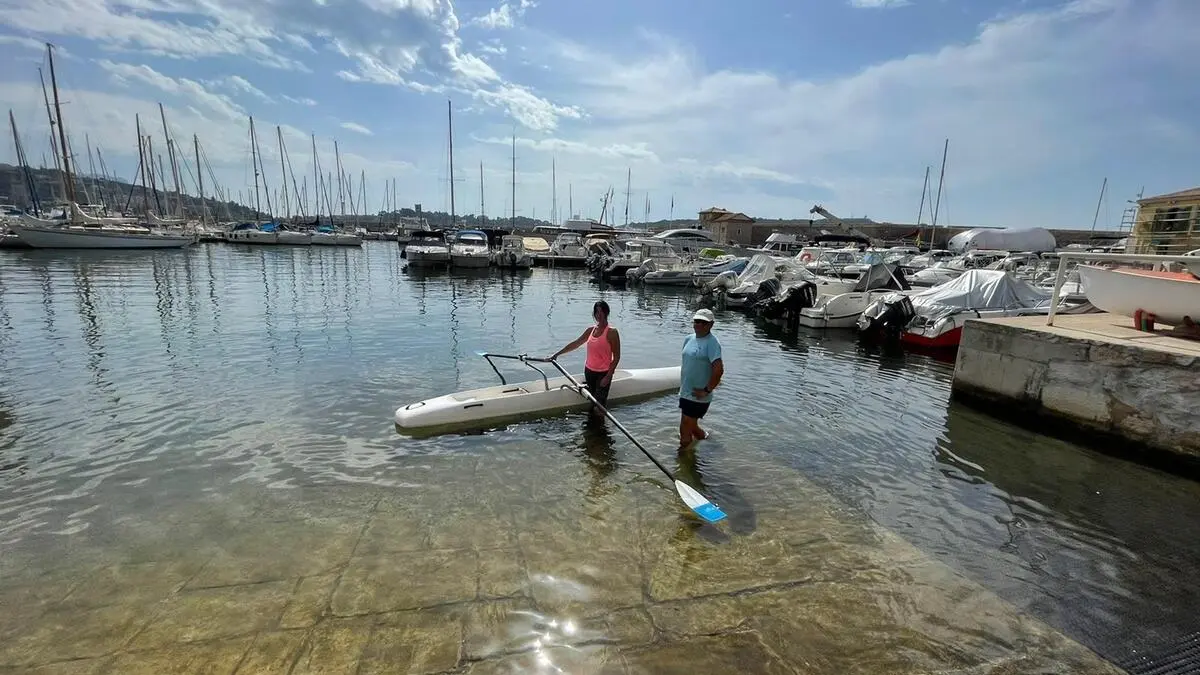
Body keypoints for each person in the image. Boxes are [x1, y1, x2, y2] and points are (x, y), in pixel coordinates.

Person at [550, 300, 621, 414]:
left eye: (602, 312)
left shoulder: (612, 332)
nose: (599, 315)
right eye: (597, 312)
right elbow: (576, 343)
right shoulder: (590, 330)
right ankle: (592, 427)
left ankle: (599, 428)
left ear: (607, 313)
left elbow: (616, 357)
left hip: (603, 373)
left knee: (599, 407)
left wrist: (608, 376)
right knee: (593, 402)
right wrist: (557, 354)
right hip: (589, 371)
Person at [679, 308, 723, 447]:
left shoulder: (712, 343)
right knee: (690, 425)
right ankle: (705, 439)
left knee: (685, 428)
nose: (698, 325)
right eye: (696, 321)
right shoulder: (688, 339)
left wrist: (707, 390)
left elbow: (719, 370)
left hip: (699, 394)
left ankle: (683, 460)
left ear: (711, 325)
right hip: (686, 392)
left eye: (703, 322)